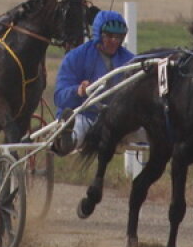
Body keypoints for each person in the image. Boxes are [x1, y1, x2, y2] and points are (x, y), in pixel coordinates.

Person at [51, 9, 135, 155]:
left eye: (119, 37)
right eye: (109, 36)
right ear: (98, 35)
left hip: (119, 121)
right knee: (78, 126)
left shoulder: (130, 60)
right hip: (86, 115)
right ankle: (67, 140)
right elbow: (59, 97)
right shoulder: (76, 57)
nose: (115, 41)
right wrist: (78, 90)